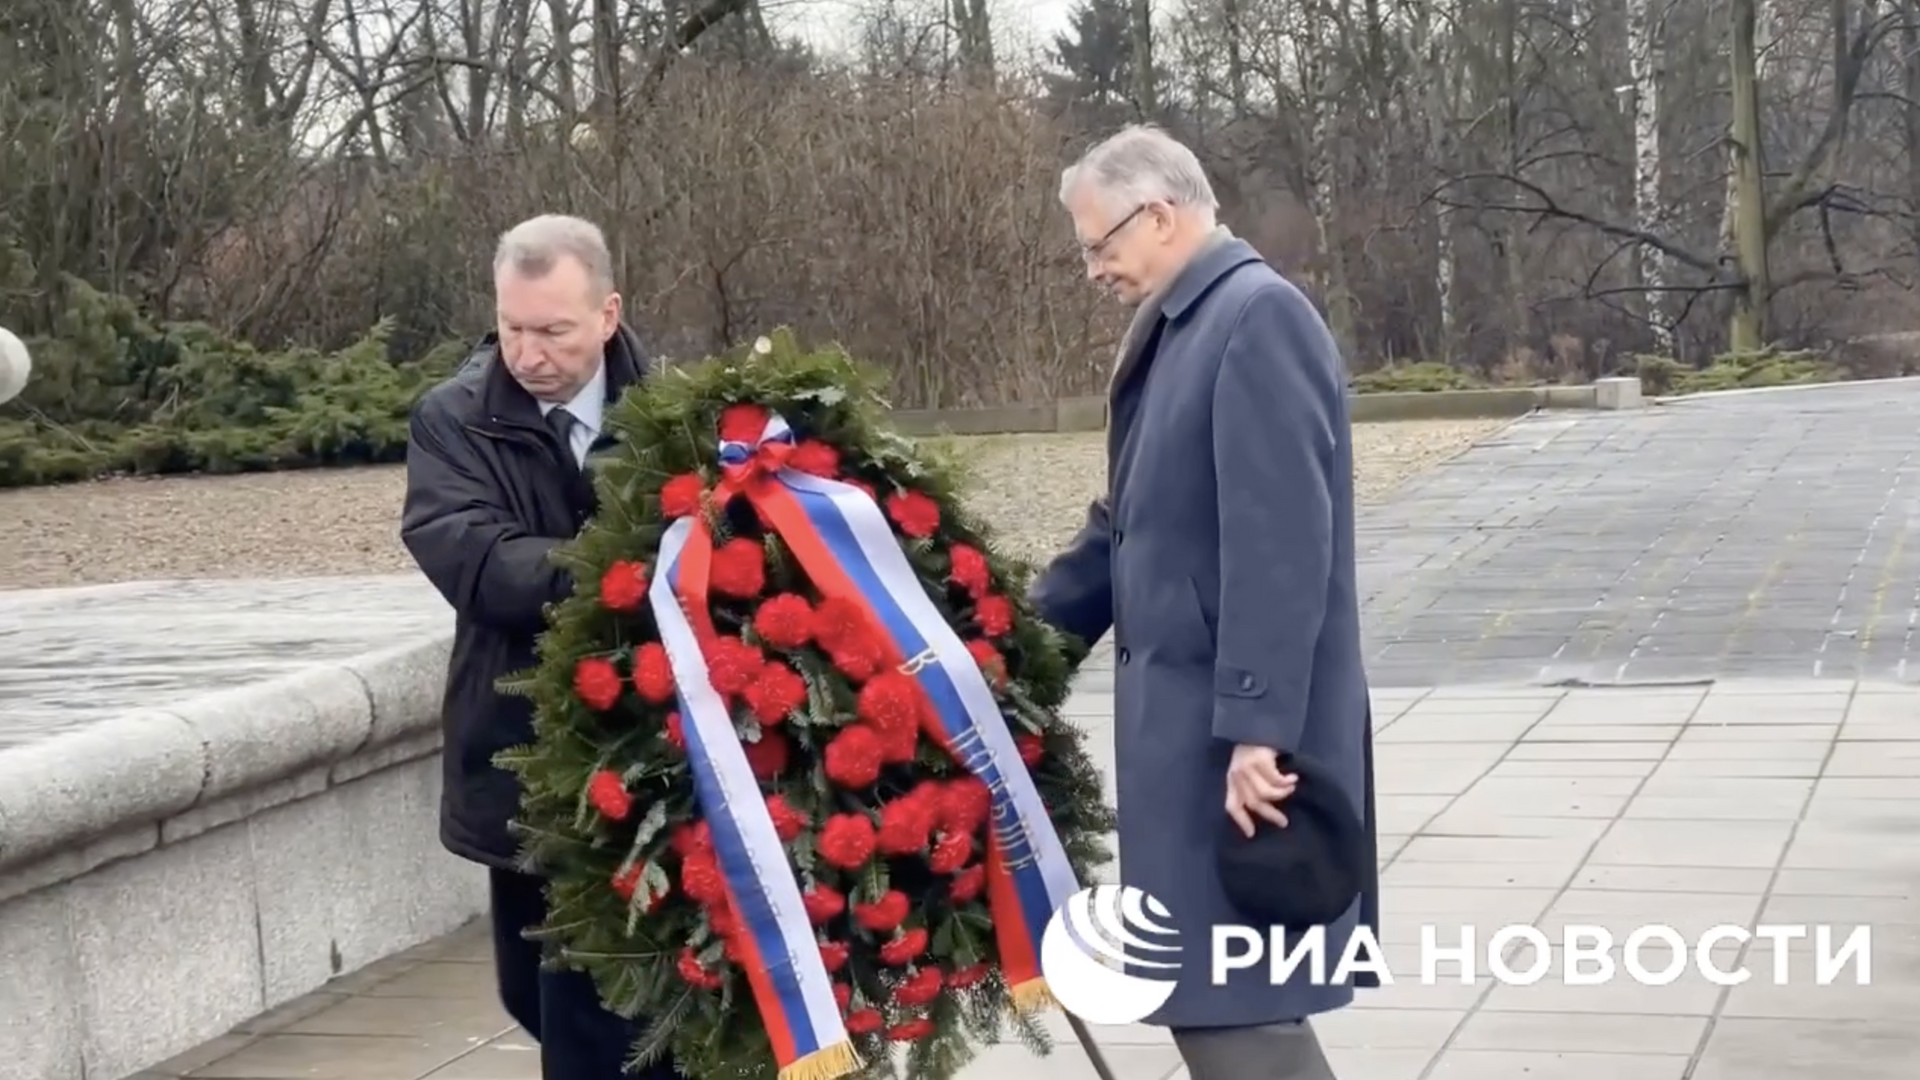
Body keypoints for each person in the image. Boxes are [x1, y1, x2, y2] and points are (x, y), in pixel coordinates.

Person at [1031, 125, 1379, 1080]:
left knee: (1239, 1012)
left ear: (1161, 215)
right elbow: (1126, 524)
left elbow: (1283, 548)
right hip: (1191, 739)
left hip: (1236, 754)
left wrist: (1261, 735)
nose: (1094, 269)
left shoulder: (1257, 317)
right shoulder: (1182, 325)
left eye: (1099, 245)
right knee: (1213, 1002)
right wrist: (1016, 650)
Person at [399, 214, 672, 1079]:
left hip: (659, 752)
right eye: (512, 328)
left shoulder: (682, 412)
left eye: (552, 330)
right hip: (521, 748)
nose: (527, 354)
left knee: (622, 1008)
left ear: (608, 314)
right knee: (534, 991)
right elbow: (473, 557)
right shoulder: (453, 419)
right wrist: (633, 575)